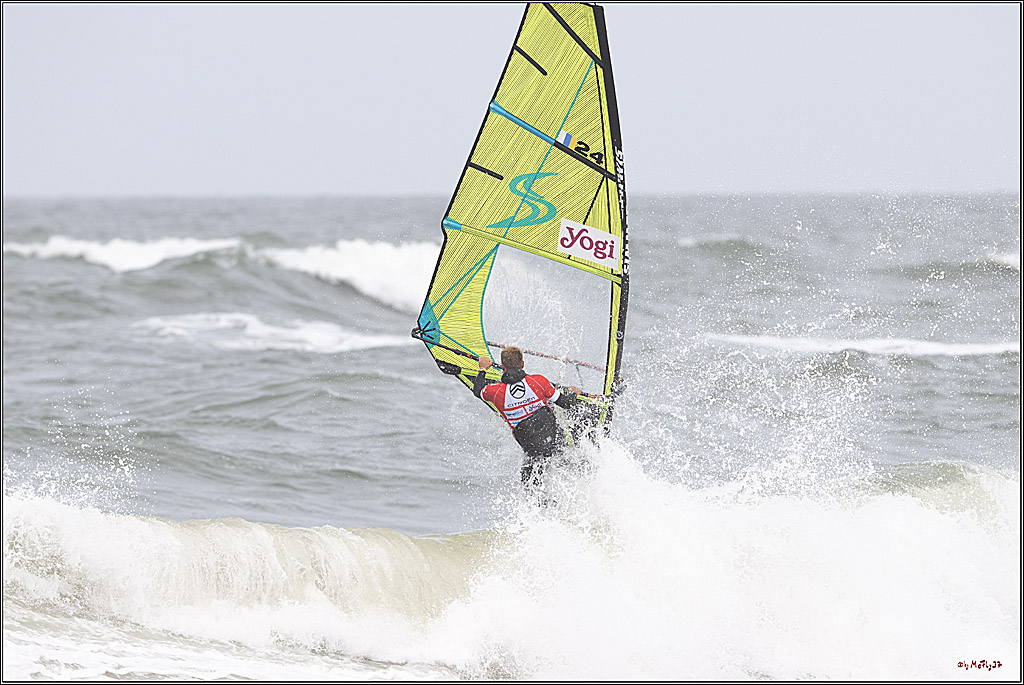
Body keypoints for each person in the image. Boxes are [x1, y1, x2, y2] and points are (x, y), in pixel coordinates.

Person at [472, 345, 585, 490]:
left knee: (530, 487)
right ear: (523, 364)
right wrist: (574, 393)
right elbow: (565, 403)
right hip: (555, 440)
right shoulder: (538, 381)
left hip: (532, 449)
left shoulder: (495, 391)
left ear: (502, 367)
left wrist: (483, 369)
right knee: (570, 464)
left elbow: (478, 390)